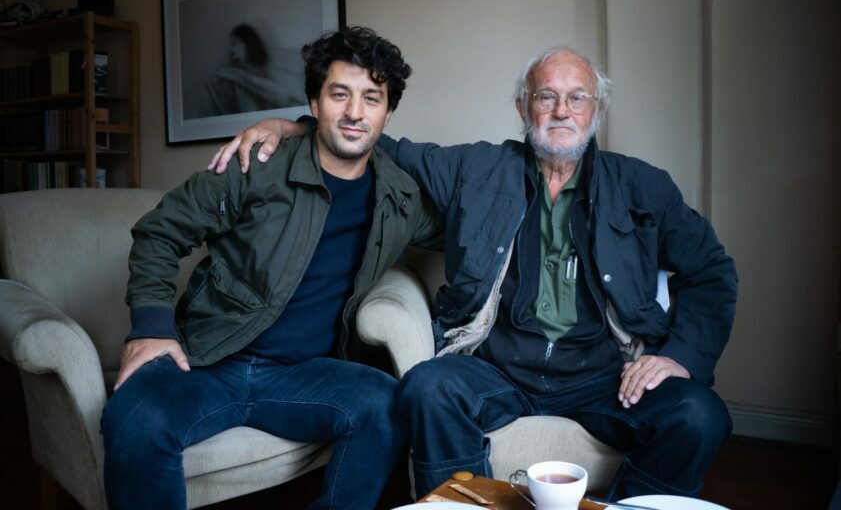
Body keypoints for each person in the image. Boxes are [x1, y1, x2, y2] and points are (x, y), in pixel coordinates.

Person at [209, 45, 738, 501]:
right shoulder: (478, 169)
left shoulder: (644, 186)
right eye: (546, 96)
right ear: (522, 106)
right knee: (425, 388)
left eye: (577, 97)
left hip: (602, 377)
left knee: (699, 414)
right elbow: (383, 145)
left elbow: (711, 270)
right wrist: (297, 127)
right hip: (499, 369)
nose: (561, 110)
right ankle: (468, 507)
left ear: (596, 109)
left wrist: (678, 356)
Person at [100, 26, 441, 510]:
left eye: (372, 98)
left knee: (387, 405)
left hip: (304, 375)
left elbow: (464, 227)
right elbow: (161, 231)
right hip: (208, 360)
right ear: (315, 103)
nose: (354, 112)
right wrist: (151, 326)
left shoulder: (399, 198)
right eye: (339, 94)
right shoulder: (255, 163)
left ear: (387, 113)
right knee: (134, 420)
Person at [188, 23, 306, 119]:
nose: (232, 49)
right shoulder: (231, 72)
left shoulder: (262, 68)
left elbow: (281, 97)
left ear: (246, 43)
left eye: (235, 43)